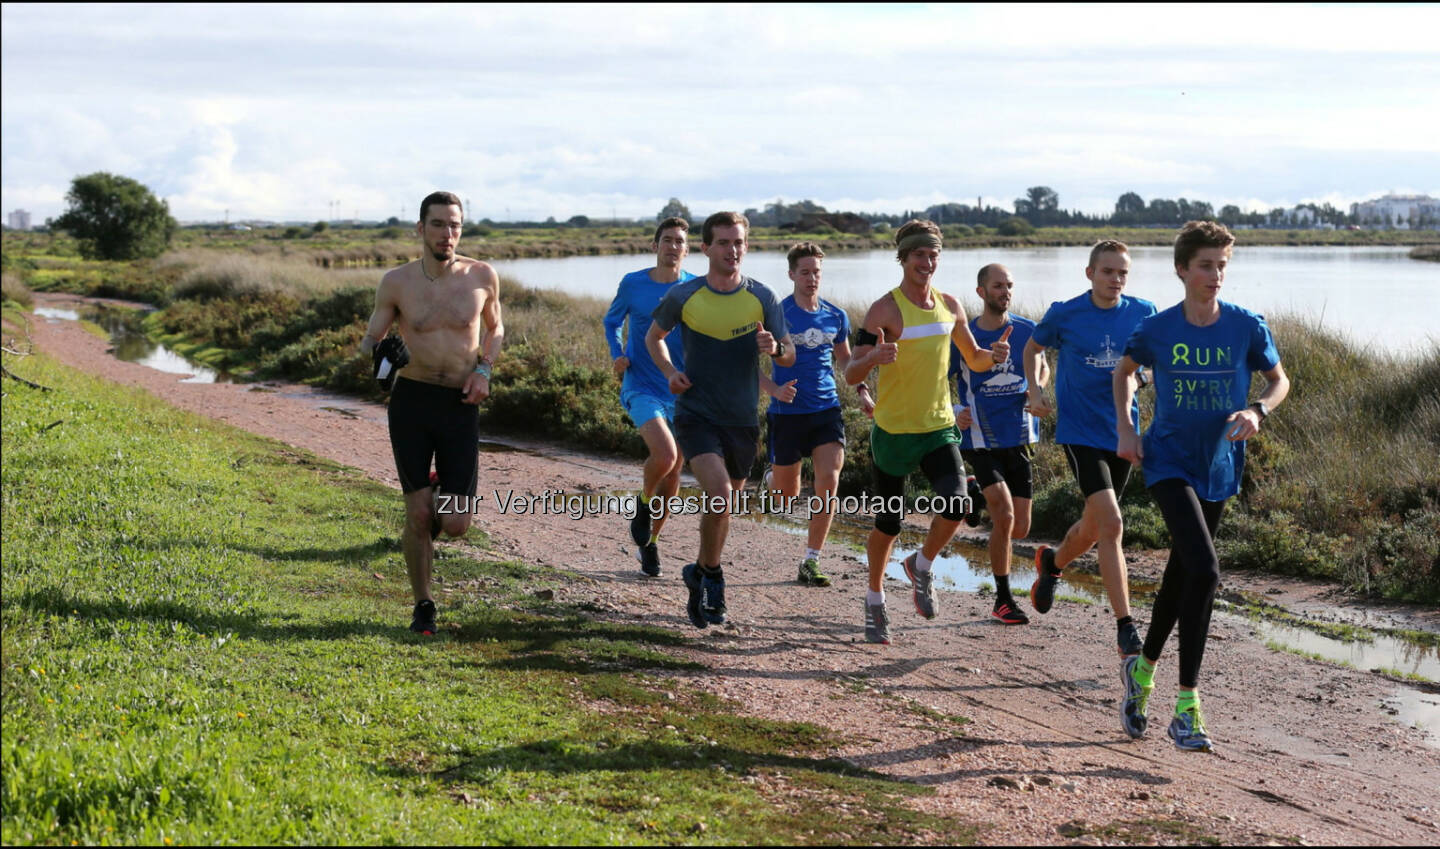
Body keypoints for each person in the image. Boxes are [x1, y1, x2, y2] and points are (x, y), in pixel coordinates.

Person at [1115, 220, 1288, 751]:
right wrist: (1127, 426)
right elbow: (1125, 370)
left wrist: (1258, 410)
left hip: (1218, 466)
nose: (1216, 276)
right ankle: (1187, 707)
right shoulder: (1158, 328)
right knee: (1207, 570)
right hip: (1167, 461)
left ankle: (1141, 673)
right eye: (1207, 266)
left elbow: (1279, 380)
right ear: (1182, 269)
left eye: (1223, 266)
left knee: (1182, 574)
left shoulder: (1246, 326)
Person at [845, 220, 1011, 644]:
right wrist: (874, 358)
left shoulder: (951, 305)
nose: (927, 261)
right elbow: (850, 373)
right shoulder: (884, 310)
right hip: (893, 431)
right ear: (903, 258)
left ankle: (920, 564)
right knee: (888, 523)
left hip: (938, 427)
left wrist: (993, 357)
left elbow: (972, 358)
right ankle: (875, 599)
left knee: (956, 505)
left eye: (933, 254)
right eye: (919, 254)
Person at [359, 191, 503, 636]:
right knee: (418, 516)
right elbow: (370, 341)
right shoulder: (397, 282)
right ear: (420, 229)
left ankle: (435, 497)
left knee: (456, 524)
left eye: (455, 225)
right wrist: (384, 355)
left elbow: (496, 328)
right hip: (412, 402)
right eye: (438, 224)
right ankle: (424, 604)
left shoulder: (482, 276)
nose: (448, 233)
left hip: (461, 402)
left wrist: (484, 370)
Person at [646, 211, 793, 629]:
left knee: (723, 507)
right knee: (720, 495)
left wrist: (775, 349)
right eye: (724, 243)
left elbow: (789, 351)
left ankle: (699, 569)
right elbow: (653, 338)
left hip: (743, 420)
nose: (733, 250)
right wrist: (670, 372)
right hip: (696, 414)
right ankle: (713, 577)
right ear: (707, 248)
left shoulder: (763, 297)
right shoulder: (685, 295)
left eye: (739, 243)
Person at [1023, 240, 1156, 656]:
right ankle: (1126, 627)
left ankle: (1053, 563)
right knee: (1113, 523)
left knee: (1094, 527)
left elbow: (1152, 363)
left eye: (1122, 273)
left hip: (1123, 432)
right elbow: (1032, 348)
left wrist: (1143, 379)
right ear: (1090, 274)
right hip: (1079, 434)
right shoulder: (1066, 313)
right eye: (1107, 272)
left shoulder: (1143, 312)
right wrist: (1035, 389)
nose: (1115, 280)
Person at [757, 242, 873, 587]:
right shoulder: (776, 314)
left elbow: (846, 362)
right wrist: (774, 390)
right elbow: (747, 365)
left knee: (829, 482)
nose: (811, 279)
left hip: (826, 410)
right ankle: (770, 481)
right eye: (804, 272)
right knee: (785, 497)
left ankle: (811, 560)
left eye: (816, 272)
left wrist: (862, 390)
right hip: (786, 413)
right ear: (791, 274)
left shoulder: (836, 315)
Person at [950, 263, 1048, 625]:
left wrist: (1037, 389)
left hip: (1019, 434)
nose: (1005, 291)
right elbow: (937, 379)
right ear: (980, 292)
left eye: (1009, 285)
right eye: (997, 286)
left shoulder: (1027, 330)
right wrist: (955, 409)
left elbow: (1043, 366)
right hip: (978, 435)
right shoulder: (964, 335)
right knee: (1003, 516)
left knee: (1019, 528)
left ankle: (973, 492)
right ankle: (1003, 599)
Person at [603, 217, 696, 577]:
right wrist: (616, 355)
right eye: (667, 240)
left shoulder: (695, 289)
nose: (673, 246)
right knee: (666, 454)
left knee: (673, 476)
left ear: (687, 250)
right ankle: (643, 504)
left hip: (681, 389)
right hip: (640, 383)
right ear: (655, 245)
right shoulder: (633, 283)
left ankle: (652, 543)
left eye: (679, 242)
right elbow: (611, 322)